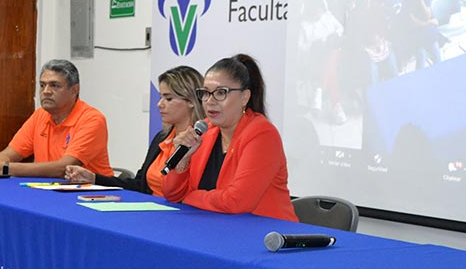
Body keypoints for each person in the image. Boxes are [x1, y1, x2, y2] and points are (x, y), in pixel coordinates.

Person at [162, 55, 298, 221]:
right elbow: (171, 194)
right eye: (205, 93)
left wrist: (189, 197)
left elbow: (236, 202)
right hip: (215, 228)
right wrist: (182, 162)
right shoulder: (203, 131)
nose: (210, 101)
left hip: (266, 235)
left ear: (244, 97)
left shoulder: (261, 133)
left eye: (221, 93)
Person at [64, 66, 205, 195]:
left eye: (168, 98)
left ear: (191, 101)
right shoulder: (162, 137)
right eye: (160, 97)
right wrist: (94, 178)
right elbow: (139, 185)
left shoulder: (202, 142)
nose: (159, 104)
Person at [0, 59, 113, 177]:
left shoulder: (92, 120)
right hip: (48, 189)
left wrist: (4, 168)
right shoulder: (40, 115)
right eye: (42, 85)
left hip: (92, 195)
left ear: (74, 90)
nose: (46, 91)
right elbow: (10, 154)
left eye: (54, 85)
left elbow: (63, 168)